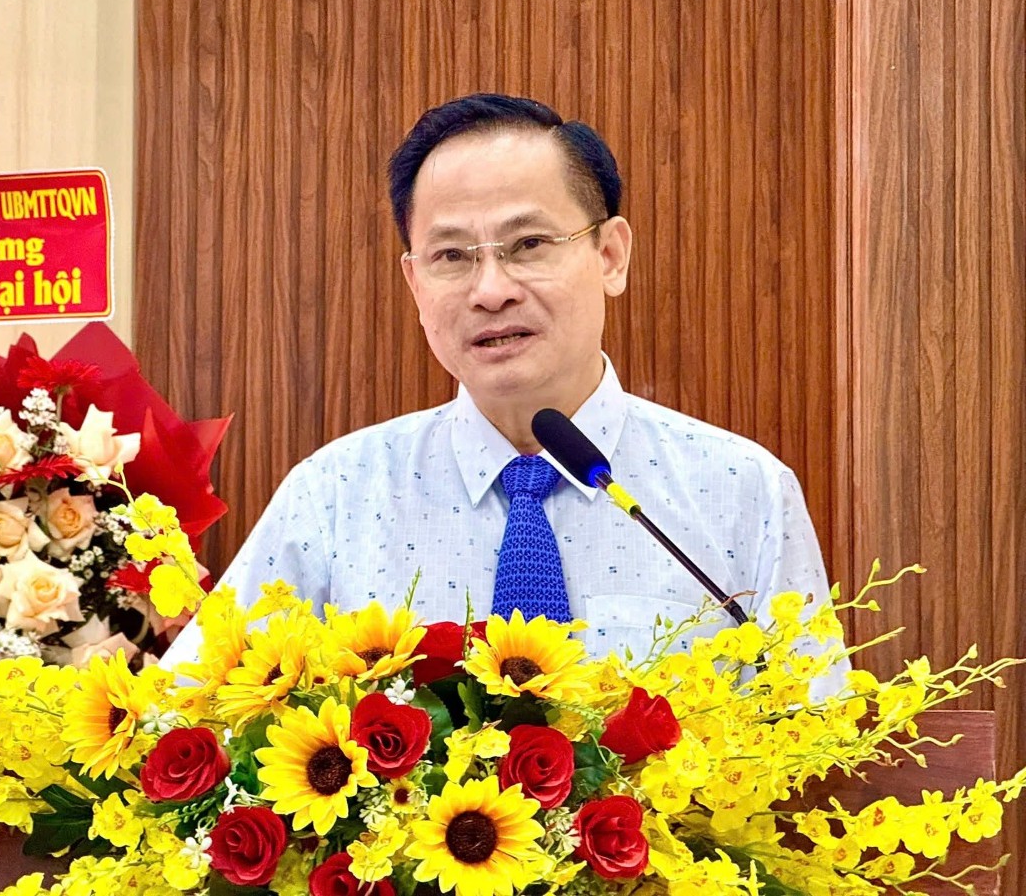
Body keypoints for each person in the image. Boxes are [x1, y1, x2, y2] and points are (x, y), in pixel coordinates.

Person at [163, 93, 834, 668]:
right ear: (415, 283)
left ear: (610, 255)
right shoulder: (333, 497)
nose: (490, 290)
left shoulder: (743, 493)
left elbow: (816, 743)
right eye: (452, 255)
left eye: (529, 245)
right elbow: (185, 721)